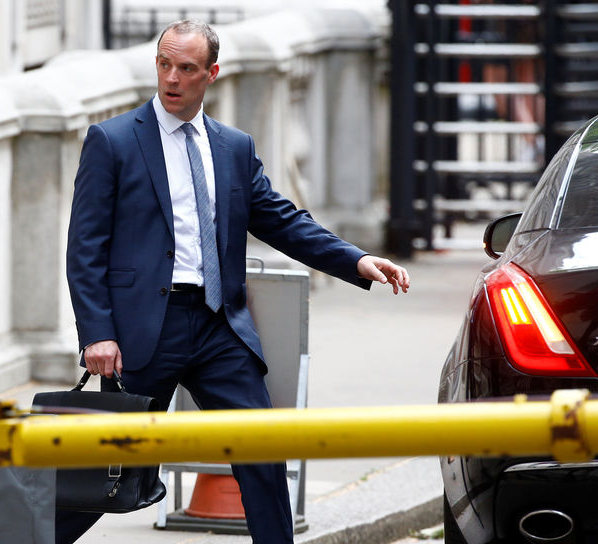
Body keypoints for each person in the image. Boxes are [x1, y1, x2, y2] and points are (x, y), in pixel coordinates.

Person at [63, 19, 410, 544]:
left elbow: (281, 219)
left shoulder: (233, 146)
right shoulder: (112, 142)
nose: (171, 79)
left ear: (212, 74)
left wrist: (356, 260)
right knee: (104, 471)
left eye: (186, 68)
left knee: (262, 453)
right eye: (164, 65)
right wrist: (97, 333)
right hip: (141, 333)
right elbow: (84, 248)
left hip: (217, 326)